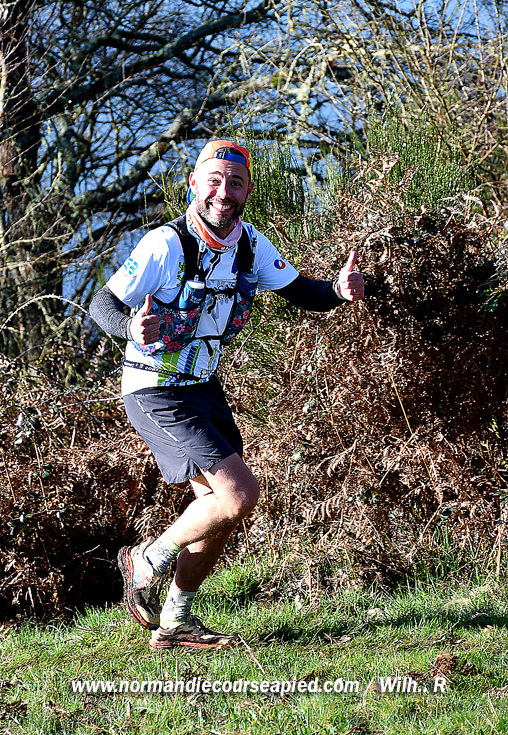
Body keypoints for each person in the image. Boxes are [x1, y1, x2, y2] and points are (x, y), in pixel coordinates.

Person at [89, 139, 364, 651]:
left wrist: (338, 292)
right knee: (239, 495)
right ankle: (145, 559)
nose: (223, 192)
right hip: (154, 388)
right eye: (214, 180)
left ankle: (175, 622)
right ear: (194, 185)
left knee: (218, 512)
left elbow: (300, 291)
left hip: (204, 388)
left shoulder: (251, 245)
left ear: (247, 191)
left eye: (235, 183)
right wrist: (130, 327)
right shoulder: (165, 245)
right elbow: (102, 303)